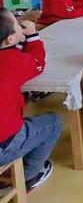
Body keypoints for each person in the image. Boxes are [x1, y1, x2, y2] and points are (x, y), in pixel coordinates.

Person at [0, 10, 62, 193]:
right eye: (17, 25)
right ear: (10, 40)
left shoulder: (10, 54)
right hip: (3, 144)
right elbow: (37, 64)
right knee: (53, 122)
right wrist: (33, 36)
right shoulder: (10, 61)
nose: (21, 24)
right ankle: (28, 177)